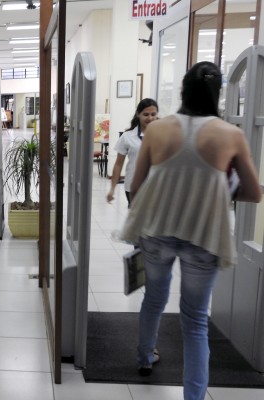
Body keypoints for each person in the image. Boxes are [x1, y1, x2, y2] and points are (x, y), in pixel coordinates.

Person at [119, 62, 261, 400]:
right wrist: (219, 188)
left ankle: (145, 356)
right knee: (195, 321)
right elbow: (254, 193)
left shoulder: (157, 129)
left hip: (157, 231)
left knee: (154, 298)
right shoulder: (231, 135)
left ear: (182, 90)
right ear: (218, 93)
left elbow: (136, 185)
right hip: (204, 236)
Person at [107, 98, 159, 206]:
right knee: (139, 221)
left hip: (156, 186)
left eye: (153, 114)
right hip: (133, 186)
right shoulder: (127, 137)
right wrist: (112, 189)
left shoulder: (163, 135)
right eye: (146, 114)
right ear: (138, 114)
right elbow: (118, 165)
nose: (150, 118)